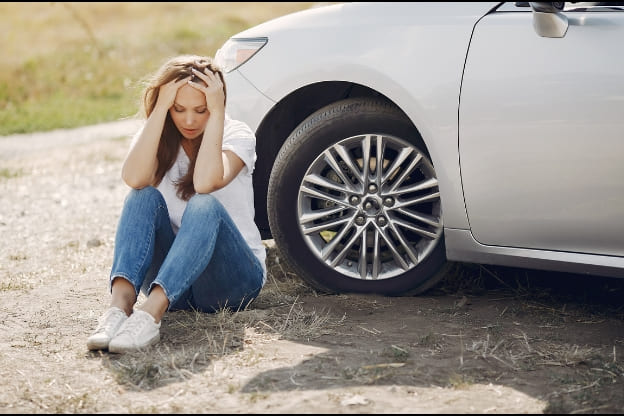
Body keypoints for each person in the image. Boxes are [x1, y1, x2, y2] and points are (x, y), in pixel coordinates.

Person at [87, 55, 267, 353]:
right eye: (179, 109)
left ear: (217, 104)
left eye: (201, 109)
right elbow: (133, 178)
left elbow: (205, 183)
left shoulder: (238, 135)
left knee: (204, 204)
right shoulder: (156, 136)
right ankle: (118, 310)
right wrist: (159, 108)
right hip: (176, 285)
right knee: (141, 195)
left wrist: (218, 113)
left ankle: (150, 315)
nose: (189, 120)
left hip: (232, 281)